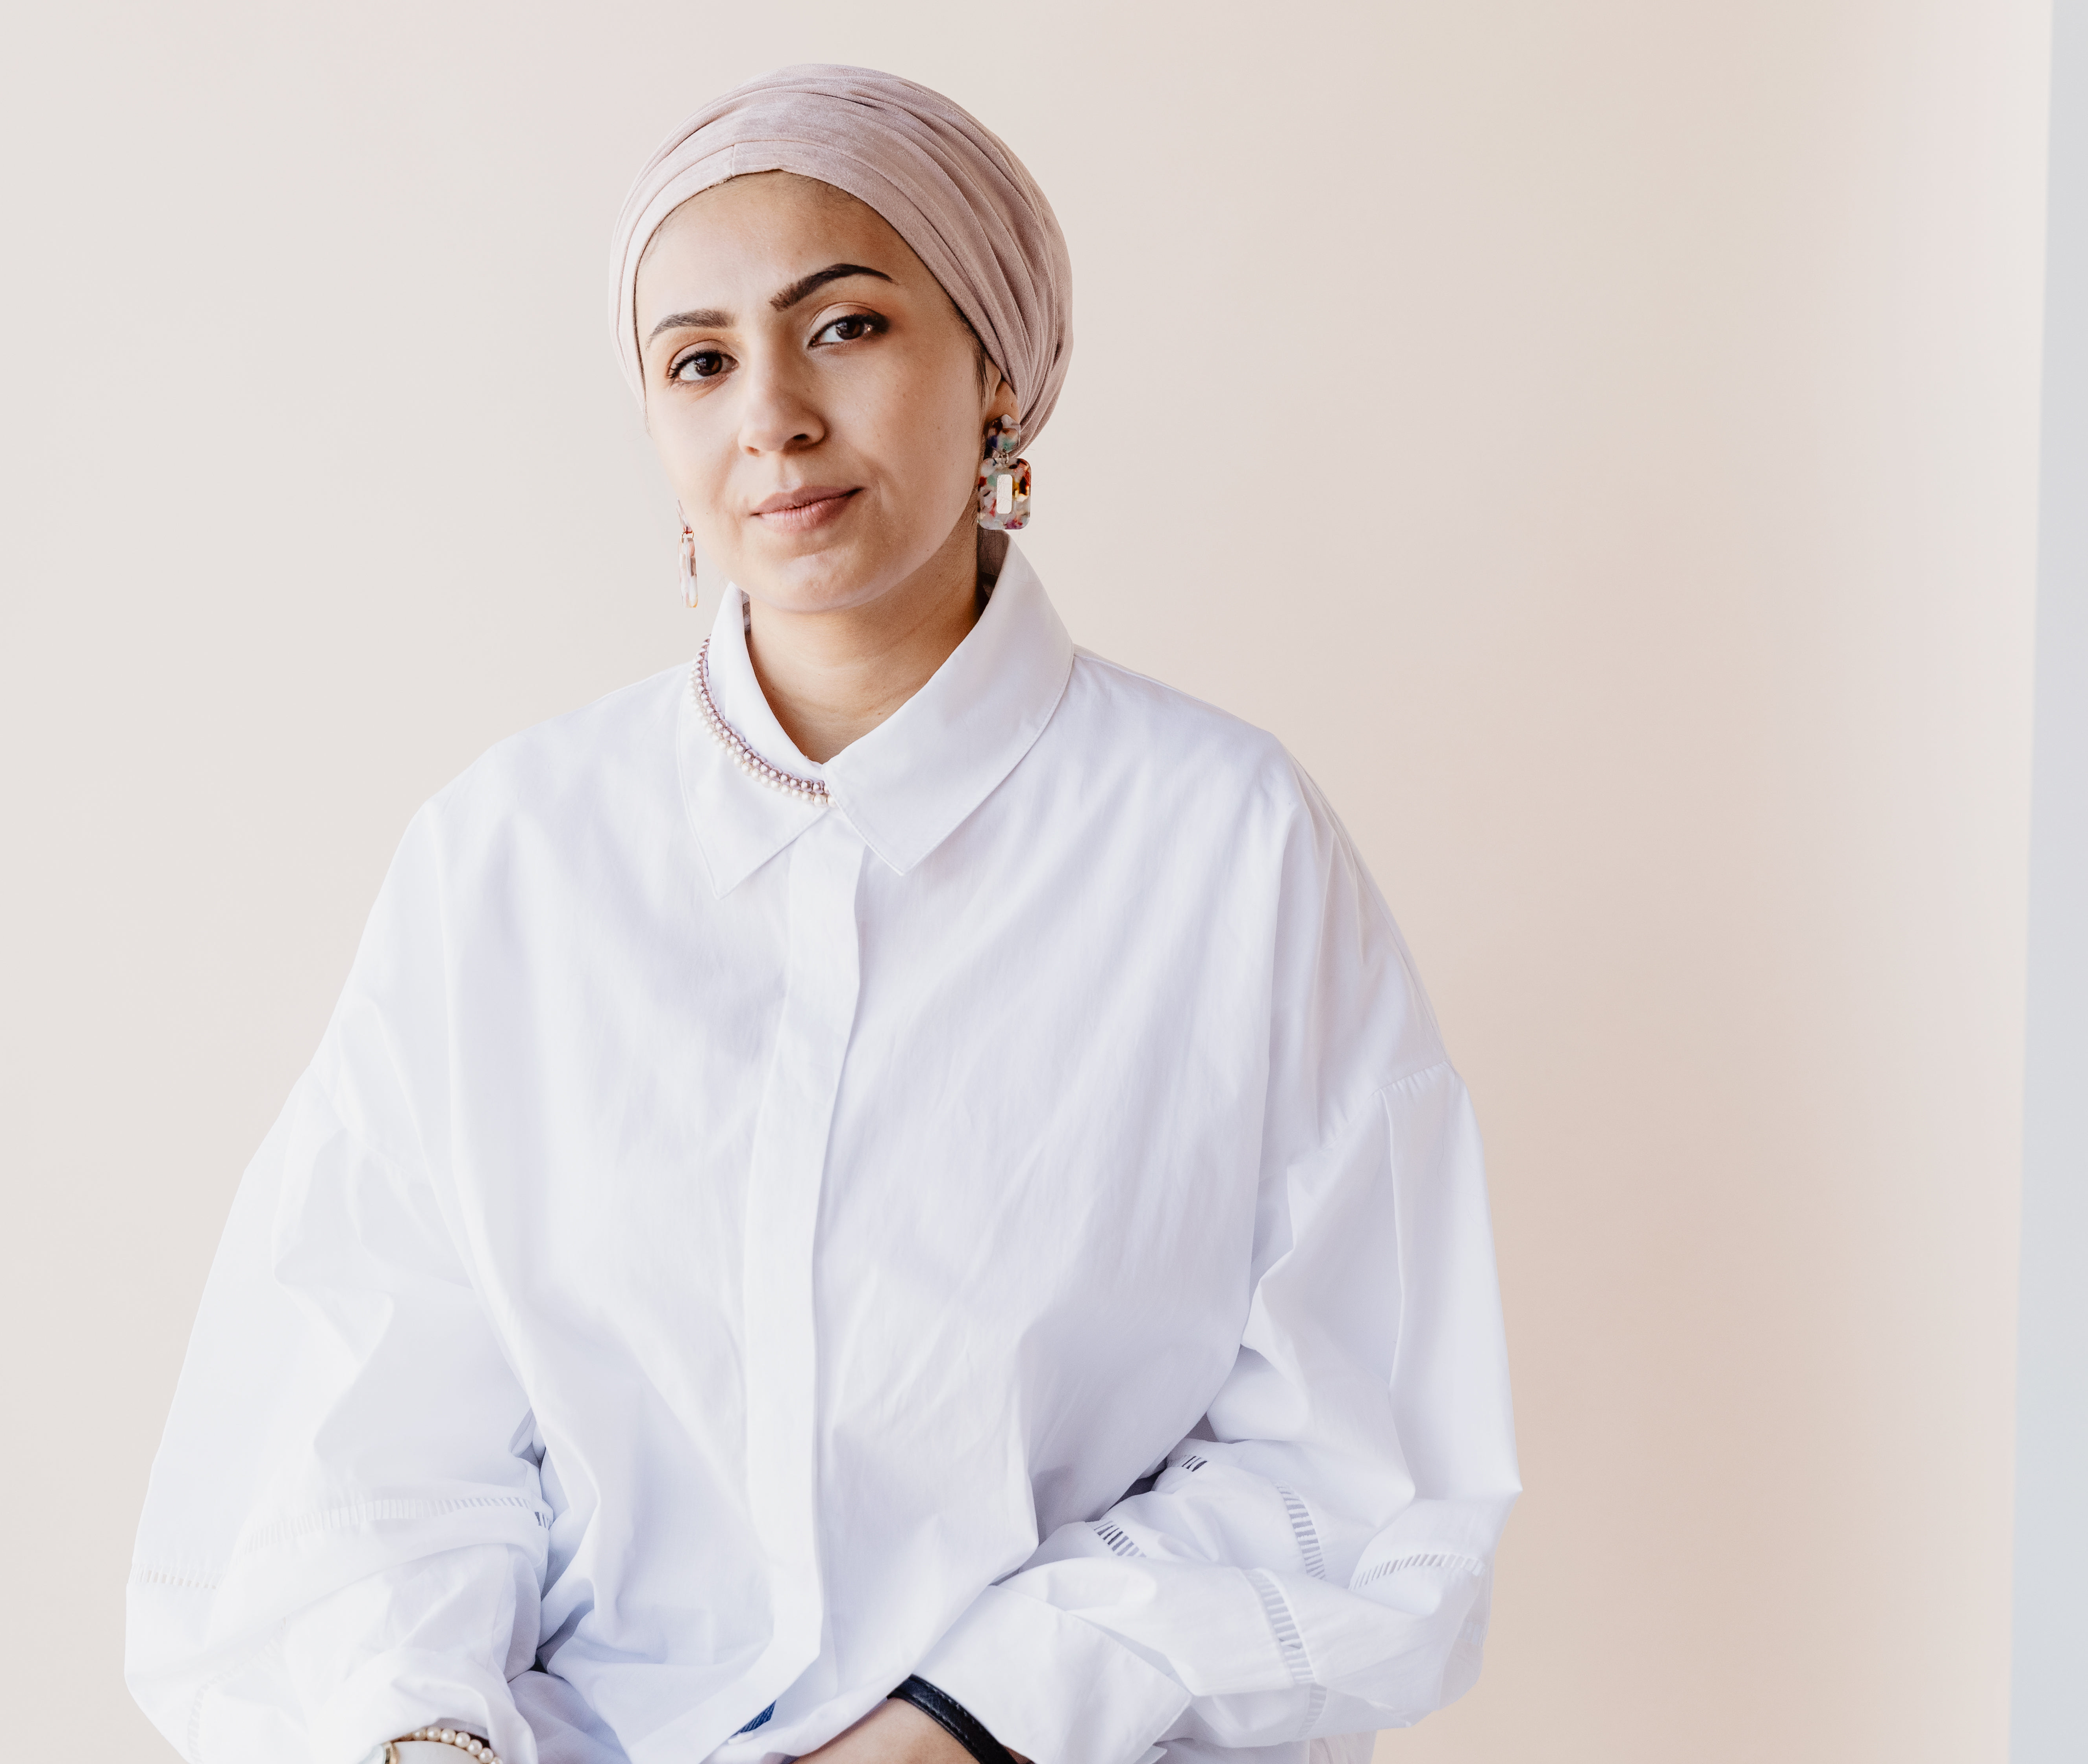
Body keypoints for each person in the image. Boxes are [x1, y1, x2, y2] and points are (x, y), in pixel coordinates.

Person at [124, 63, 1519, 1764]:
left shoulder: (1228, 848)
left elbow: (1357, 1463)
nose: (770, 413)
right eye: (698, 361)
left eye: (845, 327)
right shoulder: (508, 857)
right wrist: (423, 1734)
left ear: (997, 371)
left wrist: (951, 1728)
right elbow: (366, 1418)